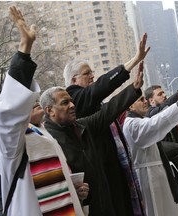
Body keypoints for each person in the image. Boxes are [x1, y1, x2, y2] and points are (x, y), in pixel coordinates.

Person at [0, 6, 83, 215]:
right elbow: (8, 116)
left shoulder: (41, 132)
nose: (32, 100)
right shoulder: (9, 141)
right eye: (24, 100)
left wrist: (72, 189)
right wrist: (24, 49)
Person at [62, 34, 150, 216]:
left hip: (112, 165)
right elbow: (102, 89)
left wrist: (133, 89)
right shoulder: (75, 97)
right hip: (101, 170)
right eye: (87, 74)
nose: (93, 76)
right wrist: (133, 62)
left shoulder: (89, 98)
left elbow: (107, 106)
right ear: (73, 80)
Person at [40, 67, 144, 216]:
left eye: (71, 101)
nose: (72, 105)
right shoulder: (47, 143)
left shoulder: (83, 126)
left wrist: (134, 88)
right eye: (64, 103)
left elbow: (109, 111)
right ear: (50, 110)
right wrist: (71, 191)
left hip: (106, 206)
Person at [122, 87, 178, 216]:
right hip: (148, 176)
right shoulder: (131, 124)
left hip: (155, 172)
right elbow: (155, 124)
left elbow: (156, 120)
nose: (145, 101)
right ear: (130, 106)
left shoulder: (140, 120)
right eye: (141, 100)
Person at [145, 66, 178, 215]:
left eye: (163, 92)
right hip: (165, 163)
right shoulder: (152, 113)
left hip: (176, 160)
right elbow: (169, 103)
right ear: (151, 100)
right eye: (159, 94)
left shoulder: (165, 110)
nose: (164, 95)